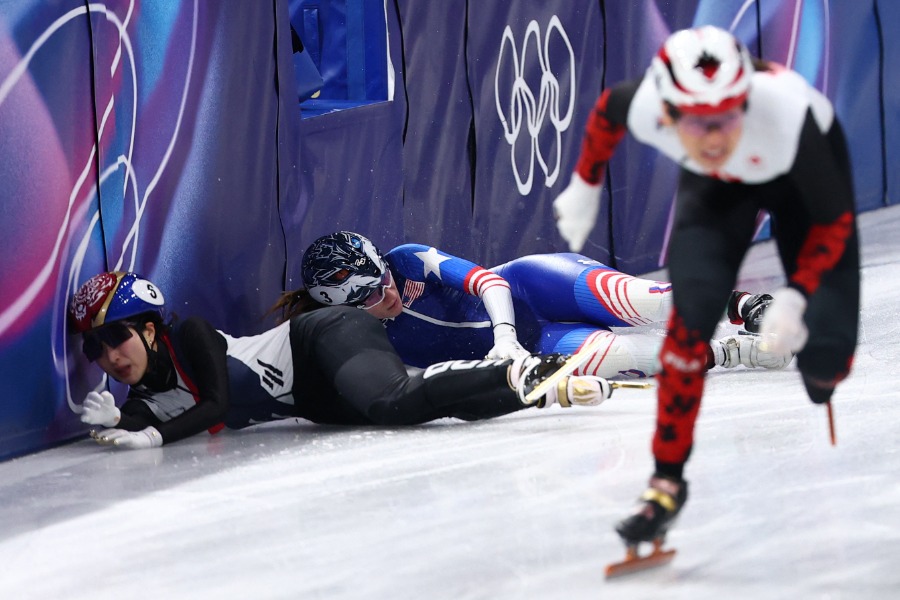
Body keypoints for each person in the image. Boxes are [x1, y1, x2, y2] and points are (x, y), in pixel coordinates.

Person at [552, 26, 859, 551]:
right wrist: (585, 184)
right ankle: (665, 485)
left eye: (728, 116)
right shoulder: (644, 104)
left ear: (748, 100)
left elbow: (833, 226)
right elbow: (606, 113)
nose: (714, 139)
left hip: (801, 185)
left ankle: (824, 368)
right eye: (698, 122)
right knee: (687, 332)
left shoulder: (789, 114)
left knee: (824, 368)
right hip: (719, 193)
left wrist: (797, 296)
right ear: (668, 113)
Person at [68, 272, 614, 449]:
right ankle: (544, 389)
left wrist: (151, 435)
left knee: (393, 400)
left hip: (320, 339)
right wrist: (121, 420)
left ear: (149, 329)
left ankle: (520, 368)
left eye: (116, 337)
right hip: (314, 398)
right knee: (419, 412)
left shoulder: (190, 336)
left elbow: (215, 404)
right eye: (95, 348)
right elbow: (137, 420)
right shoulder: (146, 400)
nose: (109, 356)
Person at [271, 231, 790, 382]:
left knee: (640, 301)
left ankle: (746, 305)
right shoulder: (351, 334)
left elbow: (488, 281)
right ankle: (735, 352)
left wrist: (502, 337)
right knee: (632, 357)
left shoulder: (407, 259)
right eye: (371, 296)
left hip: (535, 288)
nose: (388, 293)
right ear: (345, 307)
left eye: (385, 278)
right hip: (538, 344)